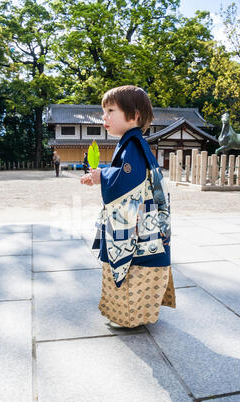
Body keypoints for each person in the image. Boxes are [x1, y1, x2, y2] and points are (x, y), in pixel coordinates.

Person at [81, 85, 176, 329]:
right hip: (145, 222)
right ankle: (137, 313)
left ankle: (130, 317)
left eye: (111, 110)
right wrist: (101, 174)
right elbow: (126, 176)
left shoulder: (132, 145)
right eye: (104, 111)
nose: (105, 116)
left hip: (135, 226)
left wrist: (102, 176)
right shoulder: (133, 144)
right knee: (143, 262)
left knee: (132, 266)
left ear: (134, 116)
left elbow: (125, 183)